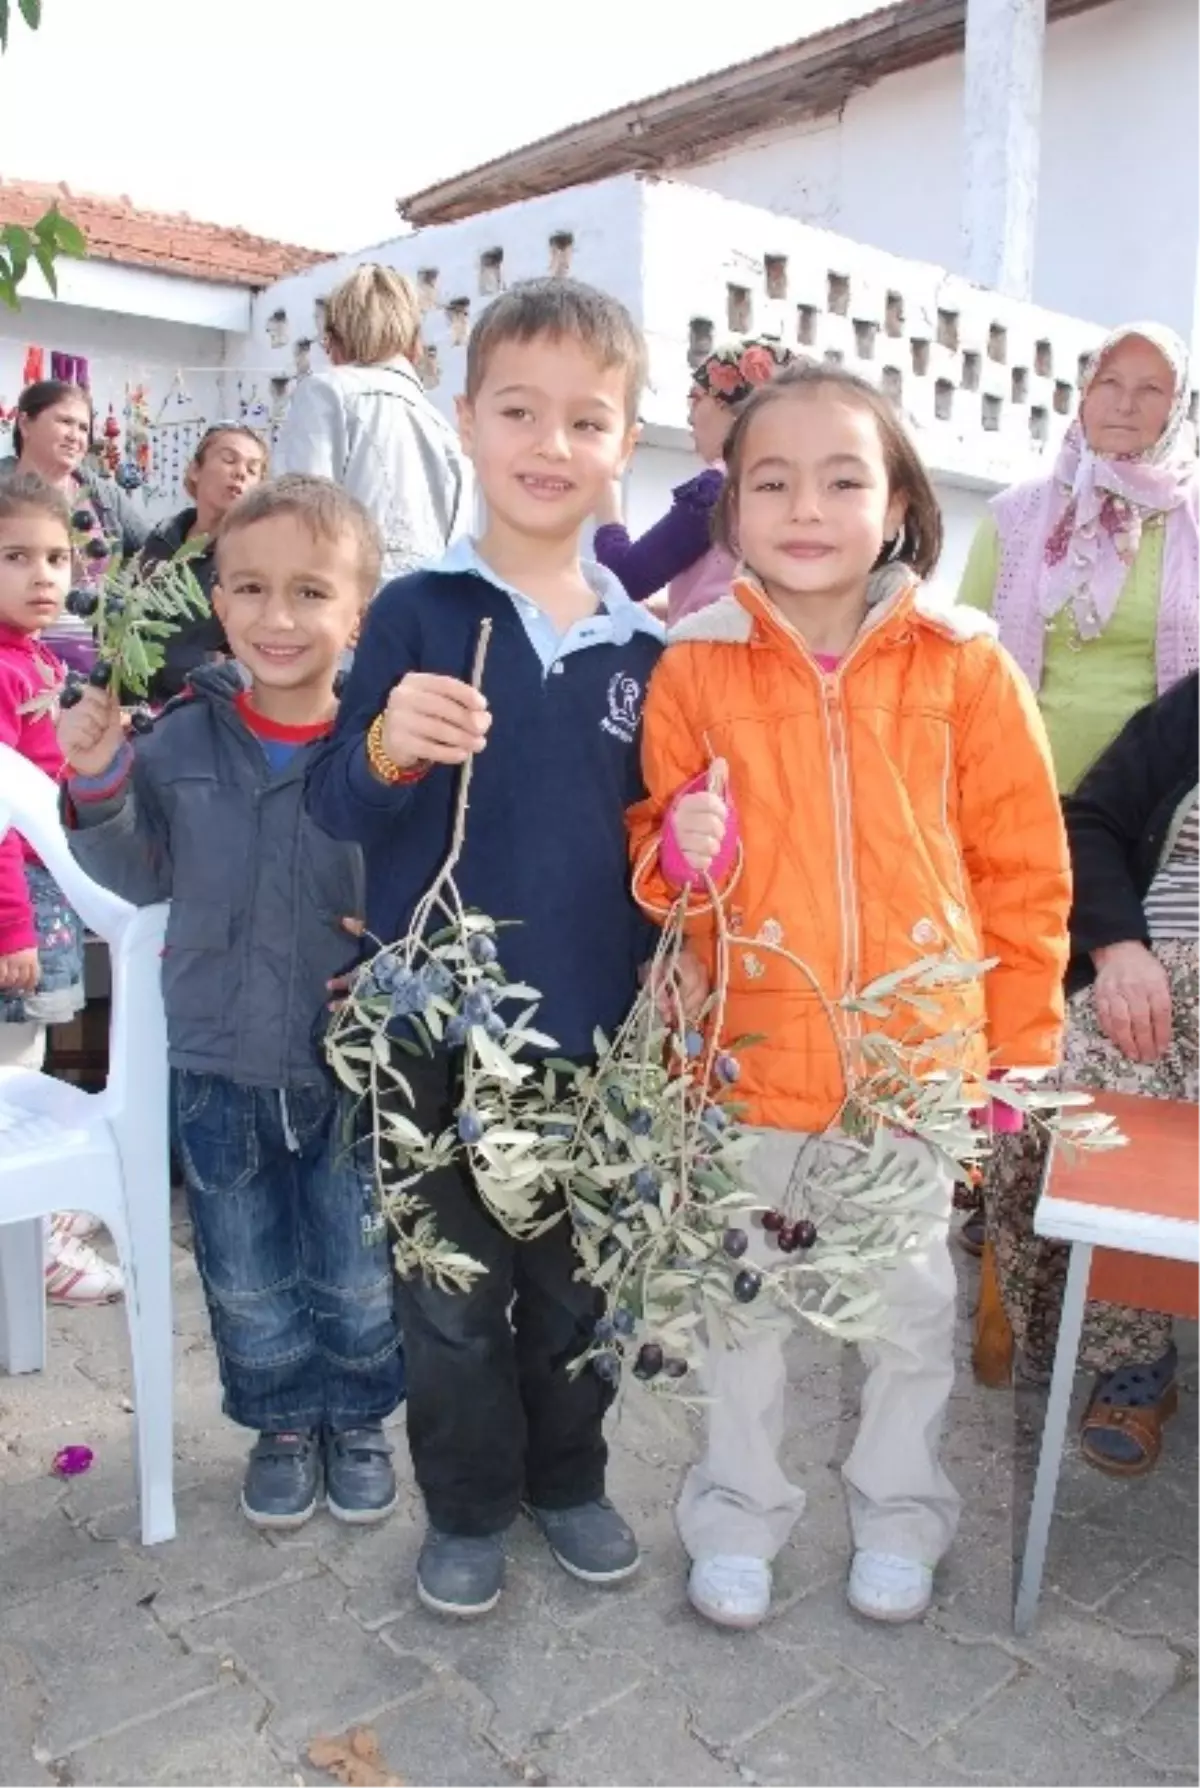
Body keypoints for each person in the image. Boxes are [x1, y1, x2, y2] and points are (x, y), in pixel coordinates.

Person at [627, 362, 1070, 1628]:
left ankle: (901, 1514)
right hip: (746, 1061)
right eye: (772, 480)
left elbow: (1023, 873)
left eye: (842, 478)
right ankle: (738, 1515)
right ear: (732, 508)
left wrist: (1015, 1053)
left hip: (909, 1070)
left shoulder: (967, 667)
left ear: (896, 507)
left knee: (909, 1319)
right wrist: (680, 857)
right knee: (741, 1310)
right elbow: (661, 873)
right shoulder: (694, 668)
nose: (806, 506)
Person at [307, 278, 664, 1618]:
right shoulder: (415, 612)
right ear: (465, 419)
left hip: (593, 1043)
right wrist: (392, 743)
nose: (550, 443)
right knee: (448, 1301)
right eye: (519, 409)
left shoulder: (650, 648)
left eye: (587, 419)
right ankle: (463, 1504)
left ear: (628, 442)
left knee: (579, 1298)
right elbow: (335, 800)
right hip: (430, 1039)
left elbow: (655, 860)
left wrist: (696, 844)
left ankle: (566, 1481)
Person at [57, 475, 404, 1530]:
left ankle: (358, 1419)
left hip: (351, 1068)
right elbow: (139, 872)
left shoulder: (389, 751)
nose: (277, 617)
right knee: (245, 1267)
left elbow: (430, 886)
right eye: (250, 589)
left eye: (310, 592)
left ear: (359, 613)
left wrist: (391, 958)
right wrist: (99, 782)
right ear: (218, 599)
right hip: (214, 1058)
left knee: (356, 1266)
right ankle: (280, 1422)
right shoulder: (178, 738)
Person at [958, 323, 1200, 1351]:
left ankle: (1109, 1263)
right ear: (1081, 391)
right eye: (1115, 382)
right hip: (1024, 802)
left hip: (1144, 826)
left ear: (1177, 412)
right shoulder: (1017, 518)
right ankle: (1005, 1192)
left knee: (1098, 1033)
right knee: (1010, 1026)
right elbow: (966, 660)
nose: (1131, 406)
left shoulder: (1194, 523)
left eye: (1157, 391)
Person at [1009, 674, 1200, 1474]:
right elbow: (1089, 819)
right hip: (1155, 972)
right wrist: (1119, 947)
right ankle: (1132, 1352)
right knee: (1073, 1105)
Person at [0, 472, 126, 1304]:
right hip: (16, 902)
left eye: (56, 557)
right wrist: (11, 924)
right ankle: (30, 1235)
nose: (45, 576)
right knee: (14, 1069)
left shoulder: (41, 657)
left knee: (33, 1056)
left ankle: (33, 1215)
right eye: (16, 557)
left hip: (43, 897)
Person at [276, 263, 472, 583]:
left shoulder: (326, 391)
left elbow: (297, 524)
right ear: (415, 344)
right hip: (432, 619)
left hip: (354, 613)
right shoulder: (445, 429)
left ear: (334, 342)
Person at [593, 337, 794, 622]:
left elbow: (625, 580)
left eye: (697, 398)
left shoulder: (719, 490)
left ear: (733, 407)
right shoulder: (790, 488)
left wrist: (605, 490)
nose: (690, 414)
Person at [3, 380, 149, 675]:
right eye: (65, 421)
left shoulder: (102, 495)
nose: (76, 436)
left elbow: (153, 551)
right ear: (25, 423)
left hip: (91, 667)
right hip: (12, 664)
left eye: (84, 428)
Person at [137, 424, 268, 703]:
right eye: (229, 459)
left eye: (253, 469)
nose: (240, 472)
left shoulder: (255, 561)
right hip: (135, 704)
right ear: (195, 470)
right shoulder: (162, 539)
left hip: (204, 707)